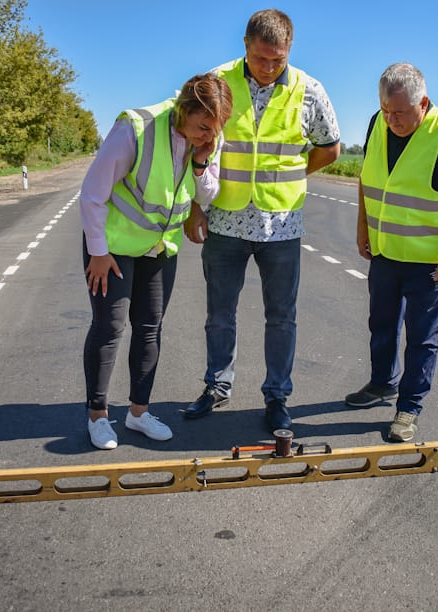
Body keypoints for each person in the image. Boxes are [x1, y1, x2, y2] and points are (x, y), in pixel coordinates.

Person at [182, 8, 340, 431]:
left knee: (281, 317)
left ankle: (277, 397)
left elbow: (329, 147)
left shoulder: (310, 91)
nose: (268, 68)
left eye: (278, 60)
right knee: (219, 314)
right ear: (245, 46)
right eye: (260, 58)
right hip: (224, 221)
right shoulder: (216, 83)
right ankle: (217, 386)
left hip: (281, 225)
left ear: (290, 50)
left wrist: (293, 174)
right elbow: (194, 143)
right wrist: (194, 206)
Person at [80, 74, 233, 450]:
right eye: (202, 127)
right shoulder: (135, 129)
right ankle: (98, 416)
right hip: (113, 248)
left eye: (215, 130)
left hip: (160, 248)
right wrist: (98, 252)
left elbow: (207, 194)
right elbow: (92, 193)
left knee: (149, 328)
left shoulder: (209, 137)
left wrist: (200, 163)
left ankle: (138, 413)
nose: (208, 136)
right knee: (109, 327)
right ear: (184, 109)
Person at [345, 62, 438, 442]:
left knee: (422, 338)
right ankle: (381, 384)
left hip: (428, 261)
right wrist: (362, 228)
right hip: (385, 253)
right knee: (381, 326)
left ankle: (408, 408)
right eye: (386, 111)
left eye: (401, 113)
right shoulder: (378, 123)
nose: (392, 121)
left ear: (423, 102)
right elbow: (367, 179)